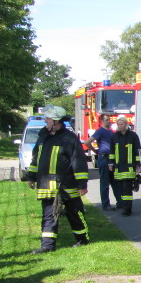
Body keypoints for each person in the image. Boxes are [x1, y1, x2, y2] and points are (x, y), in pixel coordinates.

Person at [26, 105, 90, 254]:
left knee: (73, 213)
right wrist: (31, 176)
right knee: (49, 214)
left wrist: (82, 184)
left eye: (48, 119)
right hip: (46, 184)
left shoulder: (69, 138)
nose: (45, 121)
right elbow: (36, 158)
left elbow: (78, 162)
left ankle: (82, 239)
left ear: (56, 121)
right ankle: (47, 246)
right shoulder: (43, 136)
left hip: (66, 185)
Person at [85, 113, 121, 211]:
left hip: (111, 158)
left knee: (115, 182)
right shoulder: (100, 131)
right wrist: (95, 151)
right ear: (101, 121)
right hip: (104, 158)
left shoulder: (111, 132)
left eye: (109, 119)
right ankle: (106, 205)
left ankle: (120, 203)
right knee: (105, 183)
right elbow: (88, 142)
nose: (108, 121)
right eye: (106, 120)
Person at [108, 115, 141, 216]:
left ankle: (127, 209)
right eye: (119, 124)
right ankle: (123, 206)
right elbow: (112, 152)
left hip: (129, 167)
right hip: (118, 168)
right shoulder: (114, 137)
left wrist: (138, 164)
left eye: (122, 124)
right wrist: (110, 163)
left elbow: (137, 151)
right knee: (121, 189)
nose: (120, 126)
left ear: (126, 124)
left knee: (127, 189)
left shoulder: (133, 136)